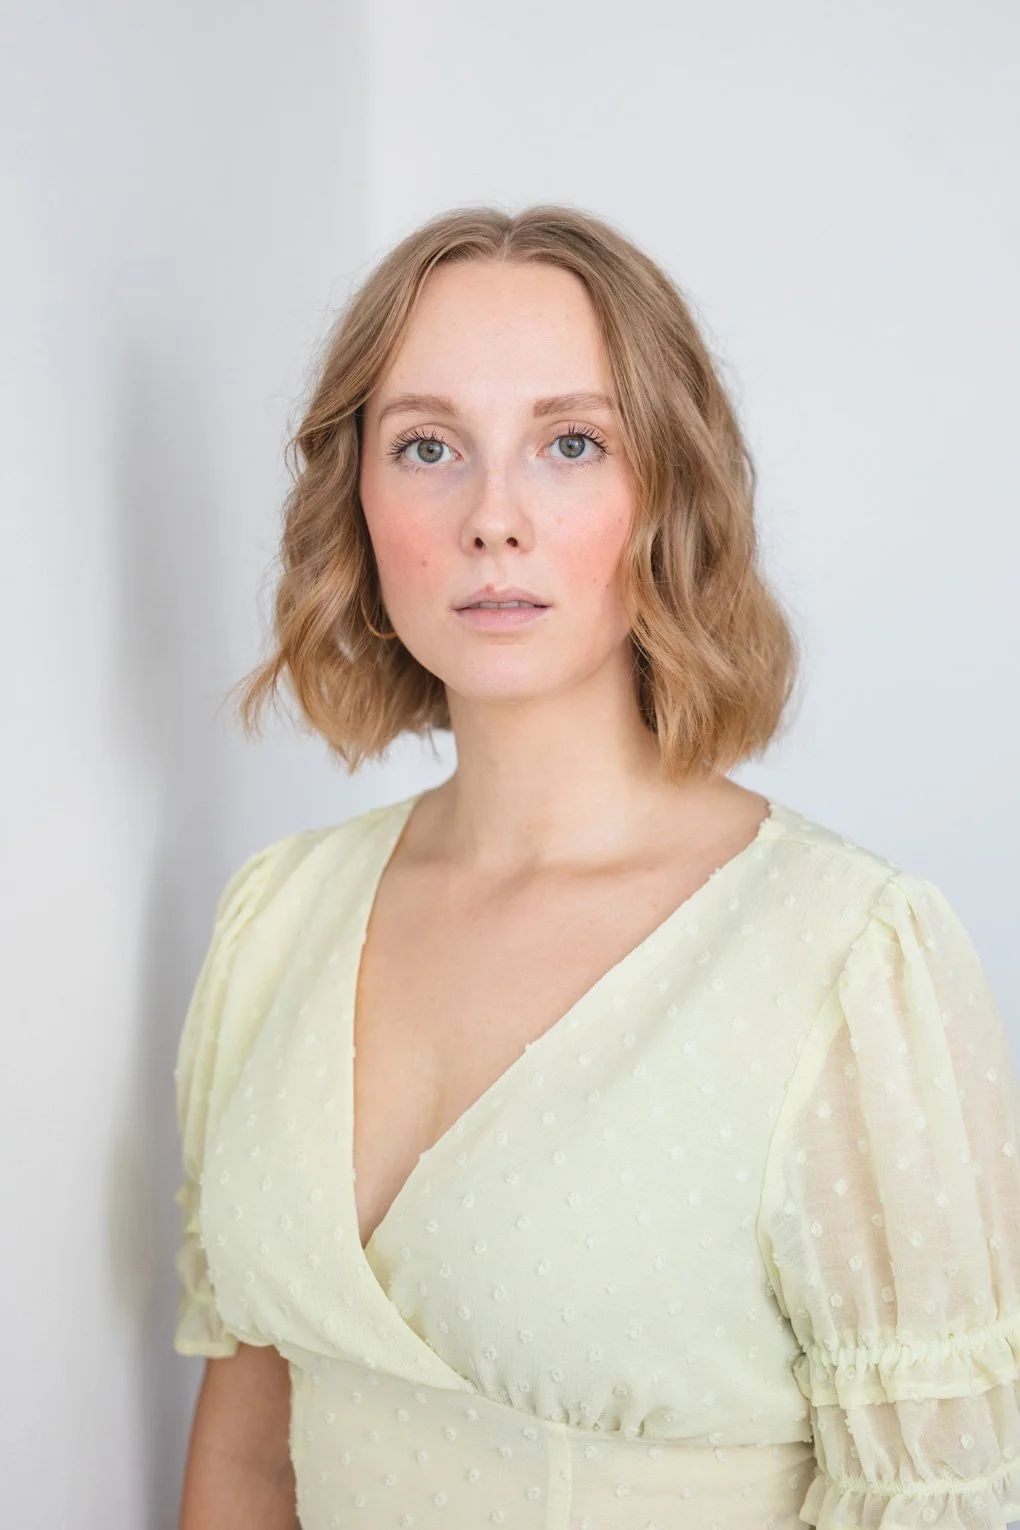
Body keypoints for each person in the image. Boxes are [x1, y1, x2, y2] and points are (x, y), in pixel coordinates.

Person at [171, 204, 1020, 1530]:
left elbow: (931, 1504)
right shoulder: (279, 919)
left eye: (571, 443)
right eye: (428, 447)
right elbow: (249, 1460)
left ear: (664, 492)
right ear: (359, 495)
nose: (492, 517)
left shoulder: (843, 957)